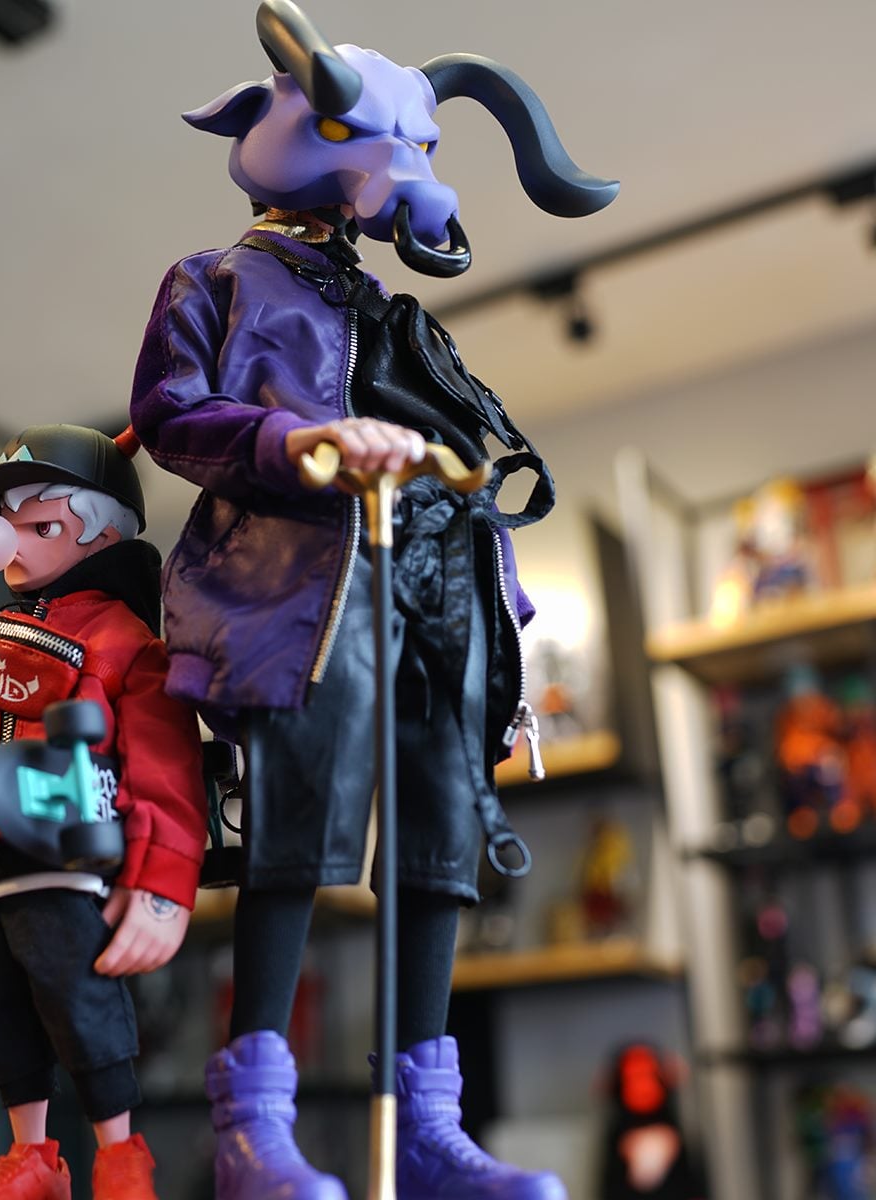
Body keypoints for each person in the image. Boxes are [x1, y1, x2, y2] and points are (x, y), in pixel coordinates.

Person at [125, 2, 615, 1195]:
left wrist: (489, 563)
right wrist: (296, 444)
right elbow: (171, 417)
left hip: (432, 585)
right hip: (296, 592)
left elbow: (458, 440)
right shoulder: (213, 281)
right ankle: (251, 1125)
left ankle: (430, 1130)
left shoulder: (385, 308)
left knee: (439, 833)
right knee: (296, 833)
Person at [0, 424, 207, 1200]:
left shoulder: (125, 642)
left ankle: (119, 1152)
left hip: (68, 860)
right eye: (7, 524)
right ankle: (32, 1158)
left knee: (78, 996)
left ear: (104, 535)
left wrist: (163, 883)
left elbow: (166, 767)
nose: (9, 542)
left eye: (41, 527)